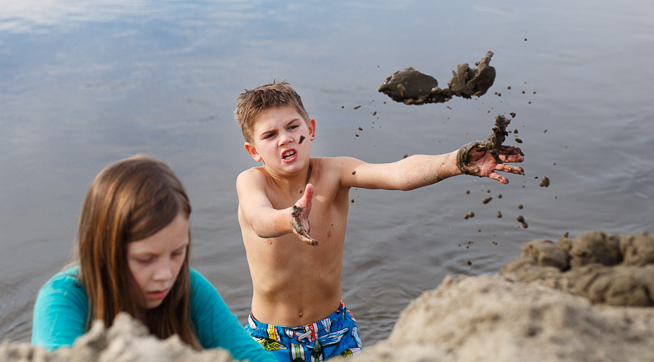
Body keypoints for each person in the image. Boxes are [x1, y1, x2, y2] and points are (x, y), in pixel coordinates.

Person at [234, 81, 524, 361]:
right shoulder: (252, 182)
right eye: (270, 135)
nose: (284, 138)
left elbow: (396, 174)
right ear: (254, 151)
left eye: (292, 126)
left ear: (310, 130)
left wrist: (455, 162)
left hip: (335, 332)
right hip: (270, 339)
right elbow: (259, 218)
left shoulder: (333, 173)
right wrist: (288, 218)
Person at [32, 155, 275, 362]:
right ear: (105, 250)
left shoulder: (187, 285)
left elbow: (253, 356)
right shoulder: (62, 299)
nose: (166, 274)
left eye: (177, 253)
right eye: (146, 259)